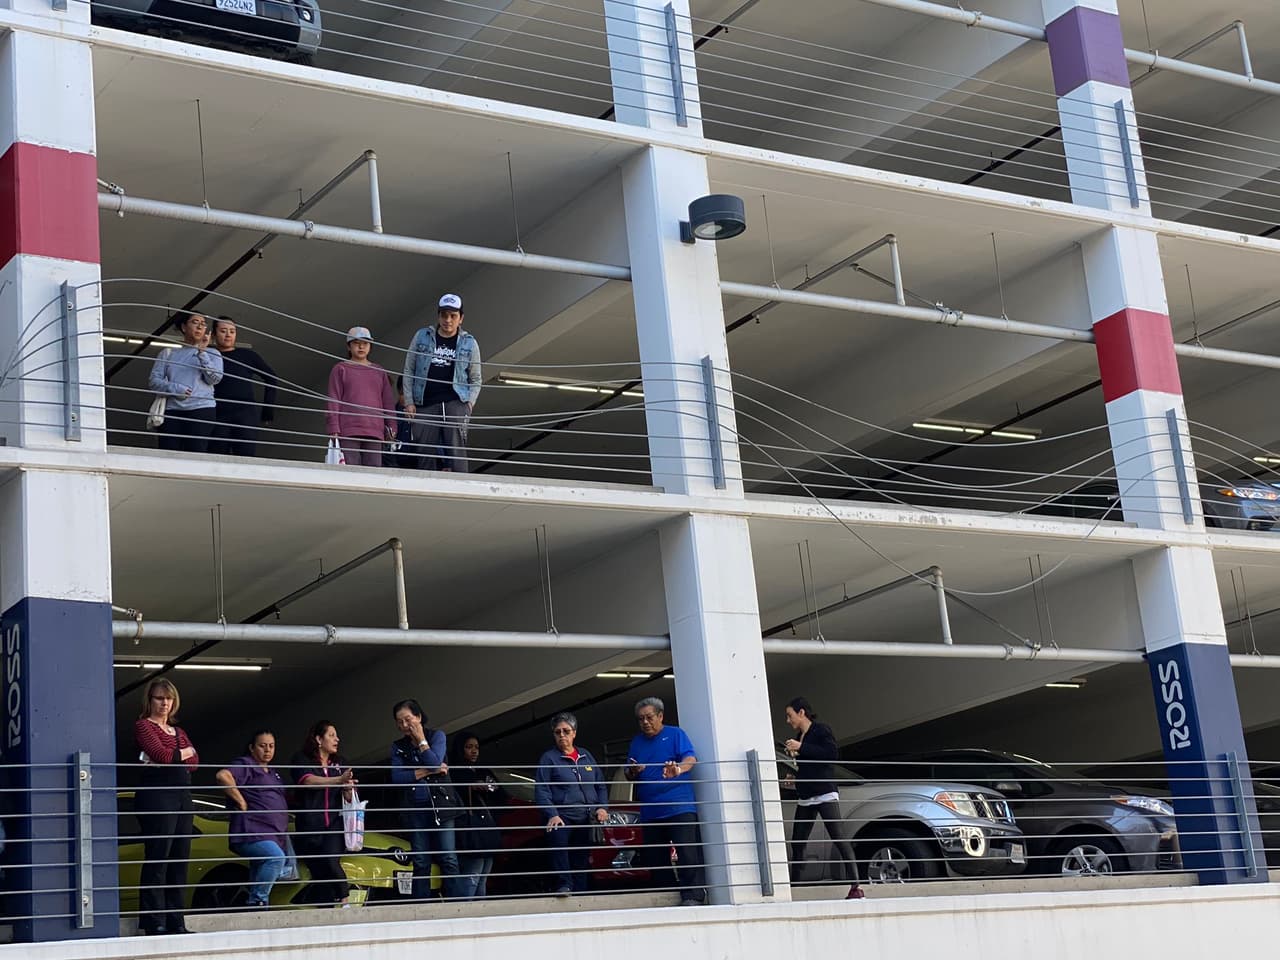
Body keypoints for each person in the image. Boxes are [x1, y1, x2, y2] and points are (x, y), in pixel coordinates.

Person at [624, 697, 706, 906]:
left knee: (687, 852)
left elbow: (690, 759)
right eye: (640, 719)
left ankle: (693, 896)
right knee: (655, 857)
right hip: (651, 811)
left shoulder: (675, 734)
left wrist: (678, 769)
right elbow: (628, 772)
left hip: (679, 806)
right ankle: (665, 894)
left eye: (649, 717)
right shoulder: (636, 742)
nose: (645, 722)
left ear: (660, 716)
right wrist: (632, 771)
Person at [133, 678, 198, 935]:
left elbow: (195, 762)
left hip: (182, 794)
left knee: (180, 858)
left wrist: (173, 757)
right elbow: (162, 755)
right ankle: (154, 920)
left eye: (168, 698)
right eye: (159, 698)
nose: (164, 703)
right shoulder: (143, 726)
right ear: (150, 700)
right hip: (157, 794)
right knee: (158, 856)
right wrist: (181, 754)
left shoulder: (178, 731)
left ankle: (176, 920)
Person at [782, 697, 864, 899]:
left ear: (802, 713)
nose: (788, 720)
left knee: (838, 837)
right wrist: (795, 778)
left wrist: (801, 748)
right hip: (806, 796)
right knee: (798, 842)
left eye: (789, 715)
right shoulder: (800, 735)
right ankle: (795, 889)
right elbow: (810, 766)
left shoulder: (821, 730)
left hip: (825, 793)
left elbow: (830, 754)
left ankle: (856, 887)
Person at [390, 699, 465, 900]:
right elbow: (397, 778)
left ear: (419, 717)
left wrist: (422, 740)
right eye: (399, 722)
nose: (404, 726)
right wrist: (426, 771)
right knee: (421, 860)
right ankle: (421, 906)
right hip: (416, 807)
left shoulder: (437, 736)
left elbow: (433, 761)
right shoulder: (398, 747)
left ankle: (457, 906)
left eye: (408, 720)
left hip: (442, 805)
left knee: (449, 857)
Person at [401, 293, 481, 472]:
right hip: (425, 403)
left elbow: (476, 378)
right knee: (424, 451)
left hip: (455, 402)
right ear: (438, 316)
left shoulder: (469, 343)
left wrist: (469, 404)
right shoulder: (422, 336)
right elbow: (409, 370)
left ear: (461, 318)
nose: (448, 320)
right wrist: (409, 402)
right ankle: (425, 493)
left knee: (457, 452)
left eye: (453, 316)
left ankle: (462, 490)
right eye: (444, 315)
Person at [534, 712, 608, 897]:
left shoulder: (586, 756)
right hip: (562, 816)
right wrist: (552, 813)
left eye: (566, 731)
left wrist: (602, 807)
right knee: (560, 853)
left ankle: (581, 892)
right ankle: (564, 886)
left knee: (581, 857)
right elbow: (541, 790)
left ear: (574, 733)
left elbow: (600, 785)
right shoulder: (548, 758)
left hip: (586, 816)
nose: (562, 736)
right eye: (557, 732)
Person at [216, 730, 289, 908]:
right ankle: (258, 900)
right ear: (252, 748)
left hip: (273, 833)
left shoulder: (273, 773)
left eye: (271, 746)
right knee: (275, 858)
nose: (267, 750)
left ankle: (255, 906)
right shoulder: (246, 765)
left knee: (261, 867)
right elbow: (222, 776)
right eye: (262, 746)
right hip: (252, 831)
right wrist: (240, 800)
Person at [289, 721, 356, 906]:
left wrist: (348, 789)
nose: (337, 739)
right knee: (318, 870)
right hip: (309, 825)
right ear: (319, 739)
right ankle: (326, 908)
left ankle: (346, 903)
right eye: (332, 735)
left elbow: (349, 797)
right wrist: (338, 780)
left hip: (335, 822)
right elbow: (307, 781)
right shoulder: (301, 759)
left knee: (330, 859)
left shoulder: (341, 763)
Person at [148, 312, 223, 453]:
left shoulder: (213, 353)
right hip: (172, 411)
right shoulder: (168, 353)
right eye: (195, 322)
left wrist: (202, 353)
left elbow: (215, 379)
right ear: (184, 327)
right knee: (168, 453)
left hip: (202, 409)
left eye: (203, 323)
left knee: (196, 452)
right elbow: (153, 382)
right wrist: (176, 388)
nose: (200, 326)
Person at [326, 326, 397, 467]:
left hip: (375, 430)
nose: (361, 347)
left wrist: (392, 426)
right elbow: (333, 399)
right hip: (348, 429)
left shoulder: (379, 371)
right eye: (356, 343)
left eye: (365, 343)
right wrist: (333, 427)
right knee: (350, 472)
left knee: (373, 473)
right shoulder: (340, 369)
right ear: (349, 346)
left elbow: (387, 402)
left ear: (370, 346)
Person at [210, 316, 277, 457]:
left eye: (232, 331)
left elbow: (271, 378)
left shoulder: (247, 355)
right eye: (223, 331)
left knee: (245, 457)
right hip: (217, 412)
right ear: (214, 334)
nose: (228, 334)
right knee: (216, 456)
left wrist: (267, 411)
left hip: (245, 413)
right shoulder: (208, 354)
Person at [448, 730, 502, 900]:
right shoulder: (454, 771)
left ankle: (479, 914)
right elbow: (456, 793)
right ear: (460, 749)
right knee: (473, 875)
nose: (474, 751)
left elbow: (499, 792)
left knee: (483, 877)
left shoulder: (481, 769)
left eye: (476, 747)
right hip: (470, 832)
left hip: (484, 831)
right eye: (468, 747)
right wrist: (472, 786)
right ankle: (465, 913)